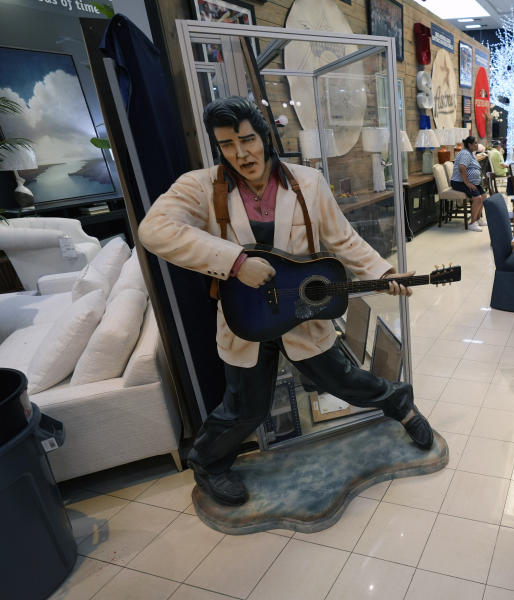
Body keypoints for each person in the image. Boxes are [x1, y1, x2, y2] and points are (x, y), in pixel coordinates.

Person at [138, 97, 435, 506]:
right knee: (245, 408)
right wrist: (236, 261)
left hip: (300, 314)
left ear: (265, 136)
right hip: (246, 321)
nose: (241, 154)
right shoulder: (200, 187)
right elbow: (153, 230)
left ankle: (400, 402)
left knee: (344, 380)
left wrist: (383, 274)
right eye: (227, 145)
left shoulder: (307, 183)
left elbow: (343, 239)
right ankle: (206, 462)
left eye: (247, 139)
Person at [450, 135, 486, 232]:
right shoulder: (465, 153)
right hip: (459, 182)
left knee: (483, 196)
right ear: (469, 144)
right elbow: (462, 168)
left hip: (469, 181)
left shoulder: (470, 152)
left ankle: (478, 219)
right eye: (475, 143)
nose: (477, 144)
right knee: (477, 199)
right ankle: (472, 223)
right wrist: (467, 183)